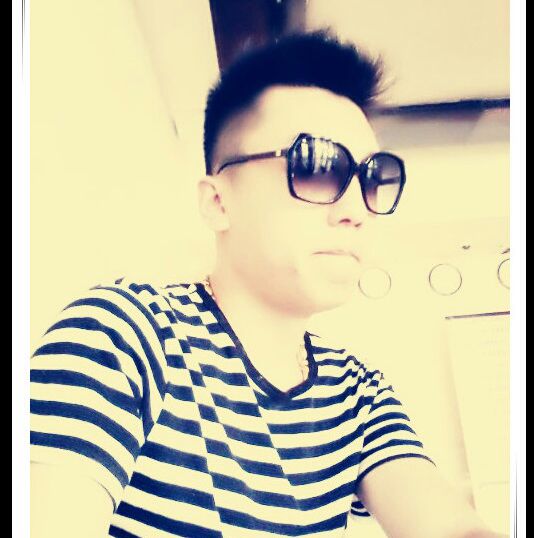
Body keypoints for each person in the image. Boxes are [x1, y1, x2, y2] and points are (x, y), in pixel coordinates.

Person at [30, 31, 507, 538]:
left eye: (371, 177)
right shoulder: (124, 336)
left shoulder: (357, 394)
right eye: (319, 166)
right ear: (218, 202)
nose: (356, 209)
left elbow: (450, 527)